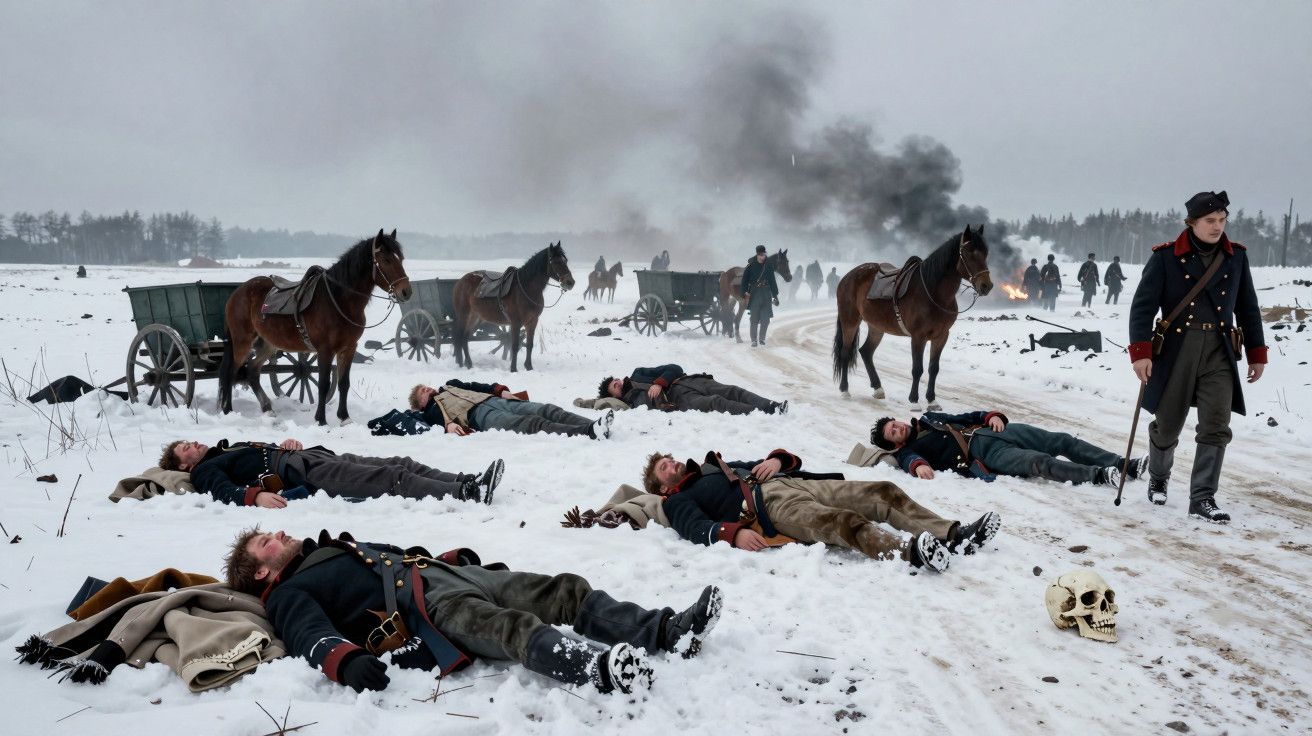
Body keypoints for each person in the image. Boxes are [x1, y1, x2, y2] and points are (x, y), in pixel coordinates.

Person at [225, 528, 723, 695]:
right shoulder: (288, 594)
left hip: (450, 576)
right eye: (266, 542)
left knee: (563, 590)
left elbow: (393, 557)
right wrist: (344, 661)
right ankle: (599, 669)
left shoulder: (324, 550)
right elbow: (309, 634)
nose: (280, 535)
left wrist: (456, 563)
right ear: (262, 574)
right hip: (426, 606)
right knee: (509, 628)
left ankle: (667, 631)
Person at [1128, 190, 1267, 522]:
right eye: (1210, 221)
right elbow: (1142, 307)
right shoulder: (1165, 258)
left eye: (1222, 220)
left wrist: (1256, 353)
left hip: (1219, 350)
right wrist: (1140, 353)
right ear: (1191, 223)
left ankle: (1203, 498)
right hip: (1177, 351)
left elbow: (1248, 308)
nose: (1217, 227)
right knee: (1167, 426)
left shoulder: (1236, 257)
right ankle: (1159, 477)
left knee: (1216, 426)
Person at [641, 448, 1001, 574]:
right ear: (660, 487)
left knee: (882, 490)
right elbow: (693, 527)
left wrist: (775, 460)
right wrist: (733, 534)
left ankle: (953, 535)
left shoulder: (711, 466)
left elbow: (774, 461)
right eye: (664, 468)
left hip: (793, 483)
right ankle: (909, 553)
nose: (671, 464)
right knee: (842, 524)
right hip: (771, 507)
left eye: (670, 459)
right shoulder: (676, 500)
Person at [160, 439, 504, 506]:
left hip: (307, 456)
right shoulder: (204, 471)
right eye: (185, 449)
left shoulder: (226, 449)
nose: (192, 445)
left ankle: (465, 480)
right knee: (389, 478)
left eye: (189, 441)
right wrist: (255, 496)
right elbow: (223, 491)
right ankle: (466, 495)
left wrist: (285, 444)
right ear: (183, 466)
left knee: (401, 461)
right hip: (303, 473)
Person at [872, 411, 1144, 488]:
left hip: (992, 431)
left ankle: (1122, 464)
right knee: (1039, 461)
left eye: (895, 424)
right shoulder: (906, 451)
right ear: (895, 443)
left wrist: (992, 416)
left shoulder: (931, 418)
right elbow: (912, 460)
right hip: (984, 455)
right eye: (892, 432)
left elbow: (970, 415)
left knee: (1060, 440)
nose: (897, 428)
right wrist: (919, 466)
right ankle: (1098, 475)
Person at [410, 379, 613, 440]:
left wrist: (500, 390)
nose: (427, 389)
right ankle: (588, 432)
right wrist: (449, 426)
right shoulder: (430, 412)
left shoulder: (450, 384)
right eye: (422, 392)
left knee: (546, 409)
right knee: (531, 423)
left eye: (426, 386)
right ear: (421, 404)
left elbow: (477, 386)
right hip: (482, 416)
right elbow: (436, 421)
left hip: (494, 401)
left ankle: (594, 425)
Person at [599, 363, 786, 415]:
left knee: (732, 390)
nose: (618, 383)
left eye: (616, 380)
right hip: (680, 398)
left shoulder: (637, 373)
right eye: (614, 387)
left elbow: (674, 368)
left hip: (690, 380)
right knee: (716, 403)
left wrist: (658, 383)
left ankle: (772, 406)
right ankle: (762, 412)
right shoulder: (631, 403)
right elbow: (599, 404)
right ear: (614, 395)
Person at [742, 245, 780, 346]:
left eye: (763, 255)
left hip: (766, 295)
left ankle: (762, 338)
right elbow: (744, 280)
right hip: (754, 295)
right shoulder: (750, 266)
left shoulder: (768, 266)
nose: (762, 257)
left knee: (765, 320)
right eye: (760, 255)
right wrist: (745, 291)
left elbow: (772, 282)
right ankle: (754, 340)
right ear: (757, 254)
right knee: (754, 319)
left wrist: (775, 296)